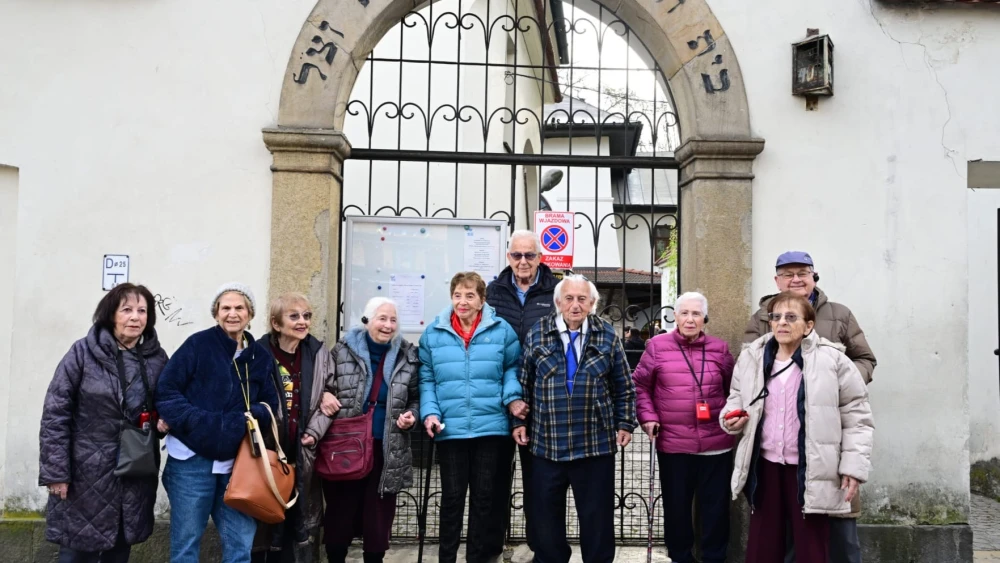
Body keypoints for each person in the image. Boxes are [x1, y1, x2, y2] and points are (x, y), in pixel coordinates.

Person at [744, 251, 877, 562]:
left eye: (802, 272)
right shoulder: (762, 317)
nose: (795, 279)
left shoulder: (839, 314)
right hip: (778, 448)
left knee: (838, 533)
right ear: (776, 281)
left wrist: (836, 386)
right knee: (783, 532)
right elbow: (747, 369)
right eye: (787, 274)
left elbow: (865, 360)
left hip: (826, 443)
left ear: (814, 277)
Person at [39, 283, 169, 563]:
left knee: (120, 548)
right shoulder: (82, 353)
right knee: (76, 550)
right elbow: (55, 413)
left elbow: (167, 402)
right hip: (85, 470)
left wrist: (163, 419)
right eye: (127, 310)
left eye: (142, 311)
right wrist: (56, 473)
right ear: (111, 315)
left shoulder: (157, 359)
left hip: (134, 470)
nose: (135, 317)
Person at [514, 274, 636, 563]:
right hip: (547, 443)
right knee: (546, 517)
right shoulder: (538, 332)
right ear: (558, 302)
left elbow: (624, 385)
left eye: (582, 299)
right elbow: (523, 383)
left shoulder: (606, 335)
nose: (575, 305)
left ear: (592, 303)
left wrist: (625, 422)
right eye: (569, 298)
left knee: (597, 518)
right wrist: (518, 422)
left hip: (594, 444)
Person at [157, 283, 281, 563]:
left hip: (238, 463)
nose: (232, 313)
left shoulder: (259, 356)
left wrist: (243, 419)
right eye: (226, 308)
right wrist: (200, 422)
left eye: (240, 308)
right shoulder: (197, 345)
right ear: (216, 314)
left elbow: (269, 405)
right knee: (186, 544)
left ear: (250, 315)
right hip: (190, 459)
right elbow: (167, 391)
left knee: (239, 545)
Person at [300, 297, 419, 563]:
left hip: (386, 446)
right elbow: (322, 384)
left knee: (379, 515)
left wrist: (412, 415)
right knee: (341, 510)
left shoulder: (407, 355)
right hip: (345, 444)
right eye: (382, 318)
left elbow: (415, 397)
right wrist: (324, 396)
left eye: (393, 320)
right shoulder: (342, 350)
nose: (388, 325)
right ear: (367, 321)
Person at [420, 272, 524, 563]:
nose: (462, 302)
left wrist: (512, 397)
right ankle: (447, 558)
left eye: (469, 296)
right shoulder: (434, 333)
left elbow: (511, 368)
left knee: (484, 499)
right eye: (457, 295)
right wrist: (430, 413)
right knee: (452, 499)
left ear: (482, 300)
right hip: (449, 429)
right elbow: (427, 379)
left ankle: (477, 559)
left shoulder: (501, 330)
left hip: (490, 428)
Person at [632, 292, 735, 563]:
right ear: (675, 316)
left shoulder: (720, 349)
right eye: (685, 313)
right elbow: (640, 386)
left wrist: (731, 416)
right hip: (674, 443)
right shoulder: (657, 346)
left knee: (715, 509)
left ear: (704, 318)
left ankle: (714, 557)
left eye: (696, 314)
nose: (690, 319)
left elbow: (733, 389)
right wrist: (647, 417)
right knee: (676, 508)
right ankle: (680, 557)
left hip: (716, 444)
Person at [484, 229, 558, 554]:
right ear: (508, 257)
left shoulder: (557, 291)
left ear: (540, 258)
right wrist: (508, 395)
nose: (523, 261)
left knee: (539, 483)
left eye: (530, 255)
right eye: (517, 255)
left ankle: (540, 547)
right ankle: (491, 544)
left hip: (541, 403)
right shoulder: (492, 292)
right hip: (499, 401)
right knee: (494, 480)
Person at [252, 293, 328, 563]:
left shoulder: (317, 353)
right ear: (276, 323)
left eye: (307, 316)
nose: (302, 321)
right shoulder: (258, 352)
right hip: (268, 454)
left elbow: (329, 397)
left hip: (303, 453)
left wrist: (315, 431)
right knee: (266, 523)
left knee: (300, 526)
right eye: (293, 316)